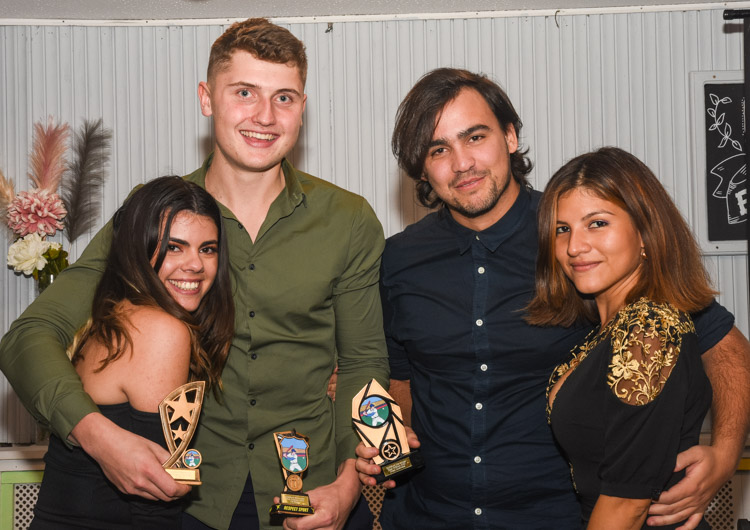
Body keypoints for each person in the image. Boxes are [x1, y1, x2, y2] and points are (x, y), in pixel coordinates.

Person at [0, 18, 389, 530]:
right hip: (190, 503)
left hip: (311, 492)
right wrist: (98, 436)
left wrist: (348, 483)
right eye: (244, 92)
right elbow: (29, 336)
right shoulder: (153, 213)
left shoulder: (348, 218)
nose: (265, 116)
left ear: (302, 107)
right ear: (207, 99)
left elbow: (362, 361)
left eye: (284, 98)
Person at [356, 68, 750, 529]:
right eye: (438, 149)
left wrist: (725, 452)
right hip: (429, 515)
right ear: (421, 167)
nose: (462, 163)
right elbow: (402, 374)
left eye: (475, 137)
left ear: (509, 136)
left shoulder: (575, 242)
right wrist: (394, 435)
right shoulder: (398, 259)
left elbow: (724, 348)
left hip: (563, 516)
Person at [31, 176, 235, 529]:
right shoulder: (160, 331)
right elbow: (156, 500)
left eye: (208, 249)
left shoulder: (113, 316)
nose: (196, 265)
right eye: (174, 247)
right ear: (139, 249)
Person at [527, 147, 714, 529]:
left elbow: (626, 505)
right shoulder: (608, 332)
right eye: (562, 229)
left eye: (597, 223)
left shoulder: (649, 330)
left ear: (645, 232)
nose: (574, 247)